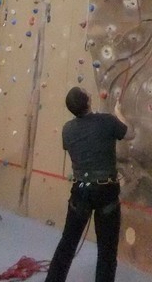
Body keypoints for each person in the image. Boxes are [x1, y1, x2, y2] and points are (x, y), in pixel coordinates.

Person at [45, 87, 131, 282]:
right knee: (107, 251)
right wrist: (119, 114)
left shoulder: (67, 129)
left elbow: (82, 140)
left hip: (81, 191)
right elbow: (130, 134)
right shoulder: (108, 121)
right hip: (106, 191)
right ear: (88, 100)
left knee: (67, 245)